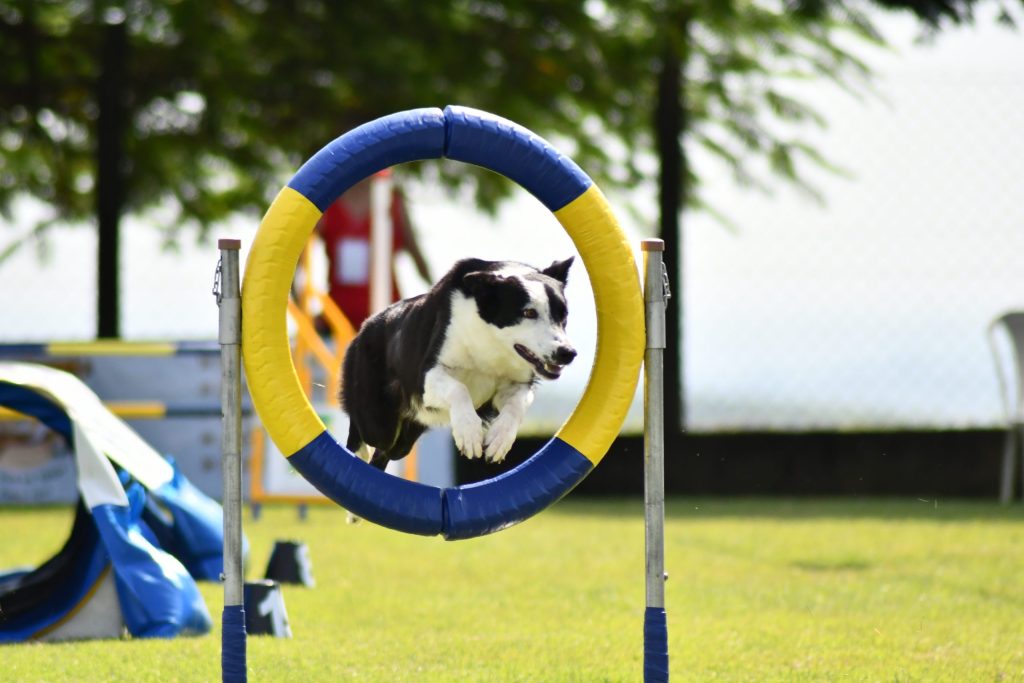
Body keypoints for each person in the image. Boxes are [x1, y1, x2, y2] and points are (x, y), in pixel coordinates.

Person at [316, 175, 432, 329]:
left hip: (386, 315)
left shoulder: (392, 201)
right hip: (337, 317)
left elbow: (417, 256)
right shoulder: (328, 203)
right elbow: (298, 257)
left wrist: (437, 294)